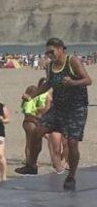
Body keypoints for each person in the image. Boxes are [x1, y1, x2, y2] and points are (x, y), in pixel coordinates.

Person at [16, 38, 92, 190]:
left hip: (76, 109)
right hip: (58, 108)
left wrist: (72, 82)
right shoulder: (51, 66)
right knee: (37, 132)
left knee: (72, 143)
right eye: (47, 53)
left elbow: (88, 80)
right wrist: (32, 96)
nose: (50, 55)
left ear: (60, 49)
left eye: (52, 52)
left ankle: (71, 177)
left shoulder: (72, 61)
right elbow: (48, 84)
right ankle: (31, 165)